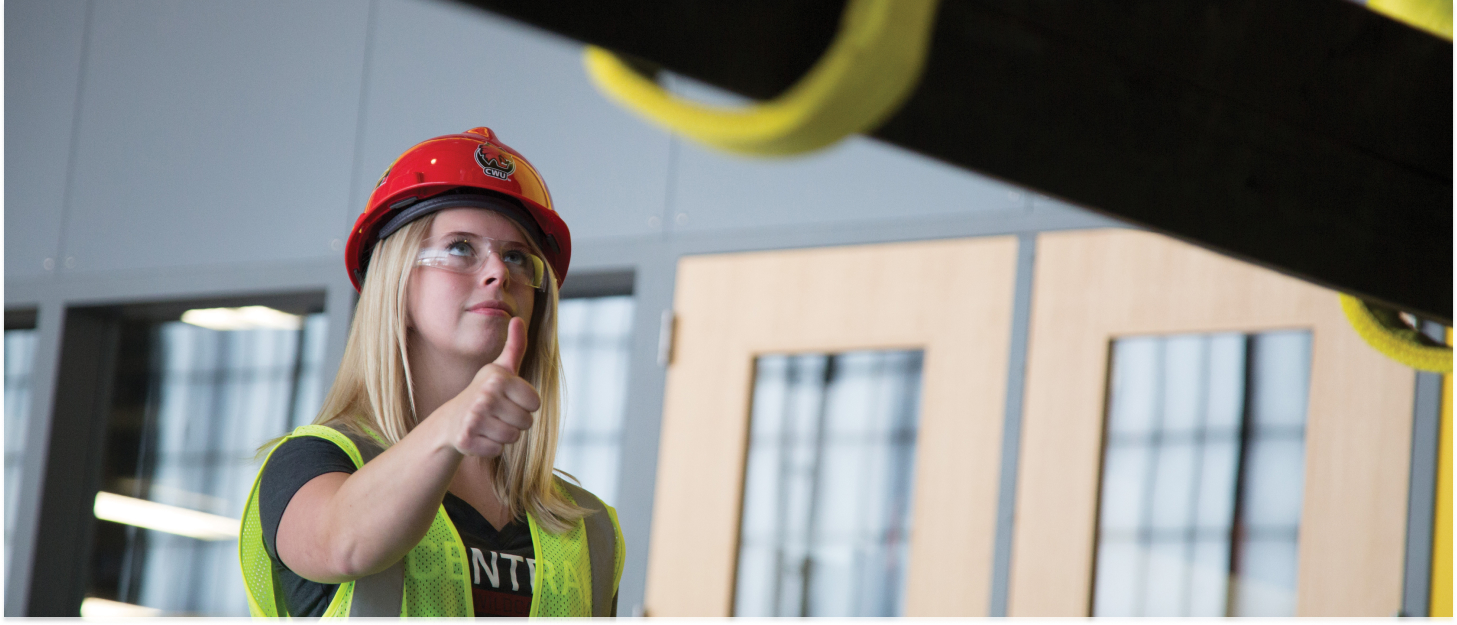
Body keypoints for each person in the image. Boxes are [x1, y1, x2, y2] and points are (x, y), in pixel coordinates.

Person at [239, 127, 623, 617]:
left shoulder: (590, 529)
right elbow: (342, 545)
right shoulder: (311, 466)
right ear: (396, 285)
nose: (498, 273)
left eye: (516, 257)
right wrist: (452, 426)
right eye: (461, 248)